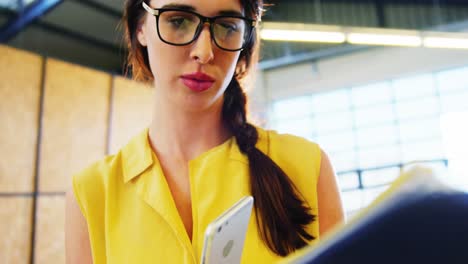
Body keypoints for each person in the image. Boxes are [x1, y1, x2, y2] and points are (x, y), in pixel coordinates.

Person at [65, 0, 344, 263]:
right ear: (141, 29)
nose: (204, 52)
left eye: (227, 26)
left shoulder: (307, 167)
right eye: (178, 21)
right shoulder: (92, 193)